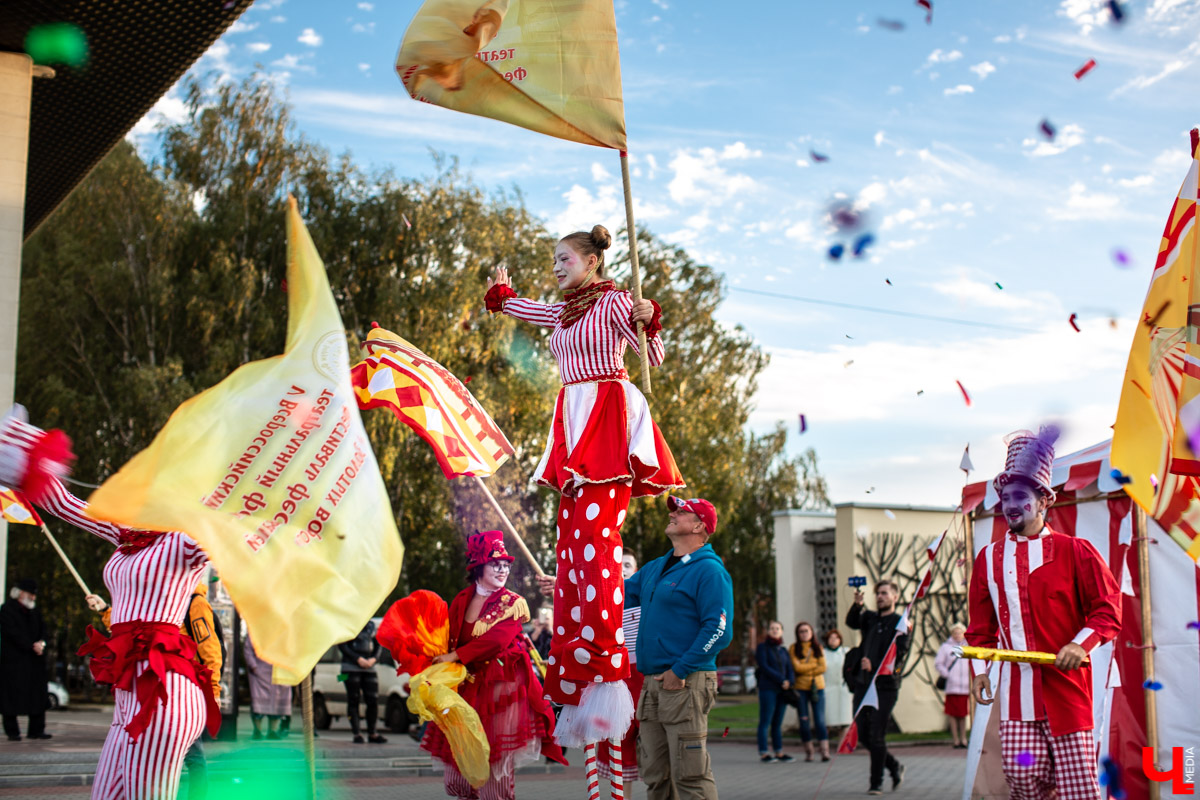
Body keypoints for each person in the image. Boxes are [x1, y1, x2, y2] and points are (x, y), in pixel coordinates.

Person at [485, 225, 684, 745]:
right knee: (572, 544)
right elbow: (531, 310)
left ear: (592, 261)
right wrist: (502, 296)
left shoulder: (615, 302)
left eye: (564, 258)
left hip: (606, 411)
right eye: (553, 259)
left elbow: (652, 358)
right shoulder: (565, 311)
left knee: (596, 540)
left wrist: (649, 321)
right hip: (574, 416)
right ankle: (576, 659)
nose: (556, 267)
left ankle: (604, 659)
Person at [0, 409, 220, 798]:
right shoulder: (129, 535)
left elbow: (240, 532)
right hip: (129, 693)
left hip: (164, 695)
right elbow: (66, 505)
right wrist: (23, 465)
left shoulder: (186, 542)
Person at [967, 429, 1121, 800]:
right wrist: (980, 671)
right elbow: (980, 629)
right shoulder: (987, 559)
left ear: (1044, 502)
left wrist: (1080, 645)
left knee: (1078, 787)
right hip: (1017, 697)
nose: (1011, 505)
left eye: (1021, 496)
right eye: (1006, 497)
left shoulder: (1077, 551)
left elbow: (1108, 609)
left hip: (1068, 693)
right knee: (1022, 776)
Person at [424, 530, 565, 799]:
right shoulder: (462, 599)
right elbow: (448, 637)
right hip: (466, 687)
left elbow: (495, 641)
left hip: (501, 689)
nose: (502, 570)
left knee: (493, 764)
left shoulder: (513, 603)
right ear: (479, 567)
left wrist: (455, 656)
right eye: (495, 564)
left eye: (506, 565)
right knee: (460, 765)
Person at [624, 496, 733, 800]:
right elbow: (616, 594)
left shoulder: (709, 571)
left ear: (699, 526)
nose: (672, 513)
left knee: (690, 776)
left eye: (682, 512)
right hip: (653, 683)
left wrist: (680, 670)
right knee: (655, 776)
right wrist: (564, 585)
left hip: (685, 682)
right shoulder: (656, 567)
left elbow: (719, 630)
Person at [88, 581, 223, 798]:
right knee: (175, 755)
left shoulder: (194, 603)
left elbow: (210, 649)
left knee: (192, 756)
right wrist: (105, 610)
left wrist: (214, 690)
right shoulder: (162, 600)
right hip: (156, 687)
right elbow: (135, 629)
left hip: (184, 690)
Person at [847, 579, 910, 796]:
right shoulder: (870, 618)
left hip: (885, 686)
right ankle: (894, 766)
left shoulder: (900, 622)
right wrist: (857, 605)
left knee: (876, 735)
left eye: (884, 593)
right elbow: (852, 622)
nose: (880, 597)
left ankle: (876, 783)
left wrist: (875, 665)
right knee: (862, 733)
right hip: (863, 683)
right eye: (878, 593)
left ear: (895, 597)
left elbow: (900, 652)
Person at [597, 551, 643, 785]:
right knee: (618, 740)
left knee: (652, 739)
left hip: (642, 674)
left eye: (627, 564)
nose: (622, 568)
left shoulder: (645, 596)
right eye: (617, 563)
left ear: (636, 571)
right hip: (616, 676)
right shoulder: (603, 599)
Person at [0, 578, 50, 741]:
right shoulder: (7, 610)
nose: (33, 598)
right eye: (30, 594)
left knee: (37, 695)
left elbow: (44, 630)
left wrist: (42, 643)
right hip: (14, 662)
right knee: (10, 697)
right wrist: (30, 645)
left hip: (35, 662)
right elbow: (11, 632)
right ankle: (12, 732)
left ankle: (36, 730)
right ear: (21, 593)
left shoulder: (35, 611)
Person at [338, 620, 386, 745]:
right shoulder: (348, 623)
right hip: (350, 667)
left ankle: (372, 732)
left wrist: (374, 659)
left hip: (369, 667)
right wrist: (357, 659)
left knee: (373, 699)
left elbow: (379, 644)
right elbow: (342, 645)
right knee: (353, 698)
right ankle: (357, 733)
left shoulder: (372, 625)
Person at [754, 620, 796, 764]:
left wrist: (790, 681)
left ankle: (779, 751)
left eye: (777, 628)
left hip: (782, 690)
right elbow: (764, 666)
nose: (775, 630)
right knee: (765, 721)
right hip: (768, 689)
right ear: (768, 631)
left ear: (781, 631)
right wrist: (781, 679)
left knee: (777, 723)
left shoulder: (783, 650)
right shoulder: (762, 647)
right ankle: (764, 752)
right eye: (772, 628)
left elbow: (789, 668)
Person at [789, 620, 829, 762]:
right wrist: (813, 666)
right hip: (801, 689)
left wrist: (806, 669)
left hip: (817, 688)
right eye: (801, 631)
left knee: (820, 720)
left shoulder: (818, 647)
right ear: (797, 634)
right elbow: (796, 668)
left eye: (807, 631)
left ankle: (824, 751)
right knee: (804, 721)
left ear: (812, 633)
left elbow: (823, 667)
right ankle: (809, 751)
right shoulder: (794, 648)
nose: (804, 634)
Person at [244, 632, 293, 741]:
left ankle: (272, 731)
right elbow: (248, 650)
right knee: (258, 703)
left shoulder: (284, 630)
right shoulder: (255, 629)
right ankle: (257, 730)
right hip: (260, 672)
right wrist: (254, 667)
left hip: (279, 671)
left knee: (277, 702)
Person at [934, 623, 970, 749]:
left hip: (965, 687)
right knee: (953, 715)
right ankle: (955, 739)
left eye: (960, 632)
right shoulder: (946, 648)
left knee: (963, 715)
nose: (957, 635)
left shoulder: (968, 647)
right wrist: (947, 674)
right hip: (952, 687)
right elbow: (939, 663)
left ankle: (963, 738)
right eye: (955, 633)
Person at [821, 629, 853, 734]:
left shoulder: (845, 652)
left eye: (836, 638)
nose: (833, 640)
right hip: (828, 688)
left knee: (845, 719)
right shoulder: (823, 653)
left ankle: (843, 742)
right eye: (831, 638)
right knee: (828, 718)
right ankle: (825, 741)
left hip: (843, 689)